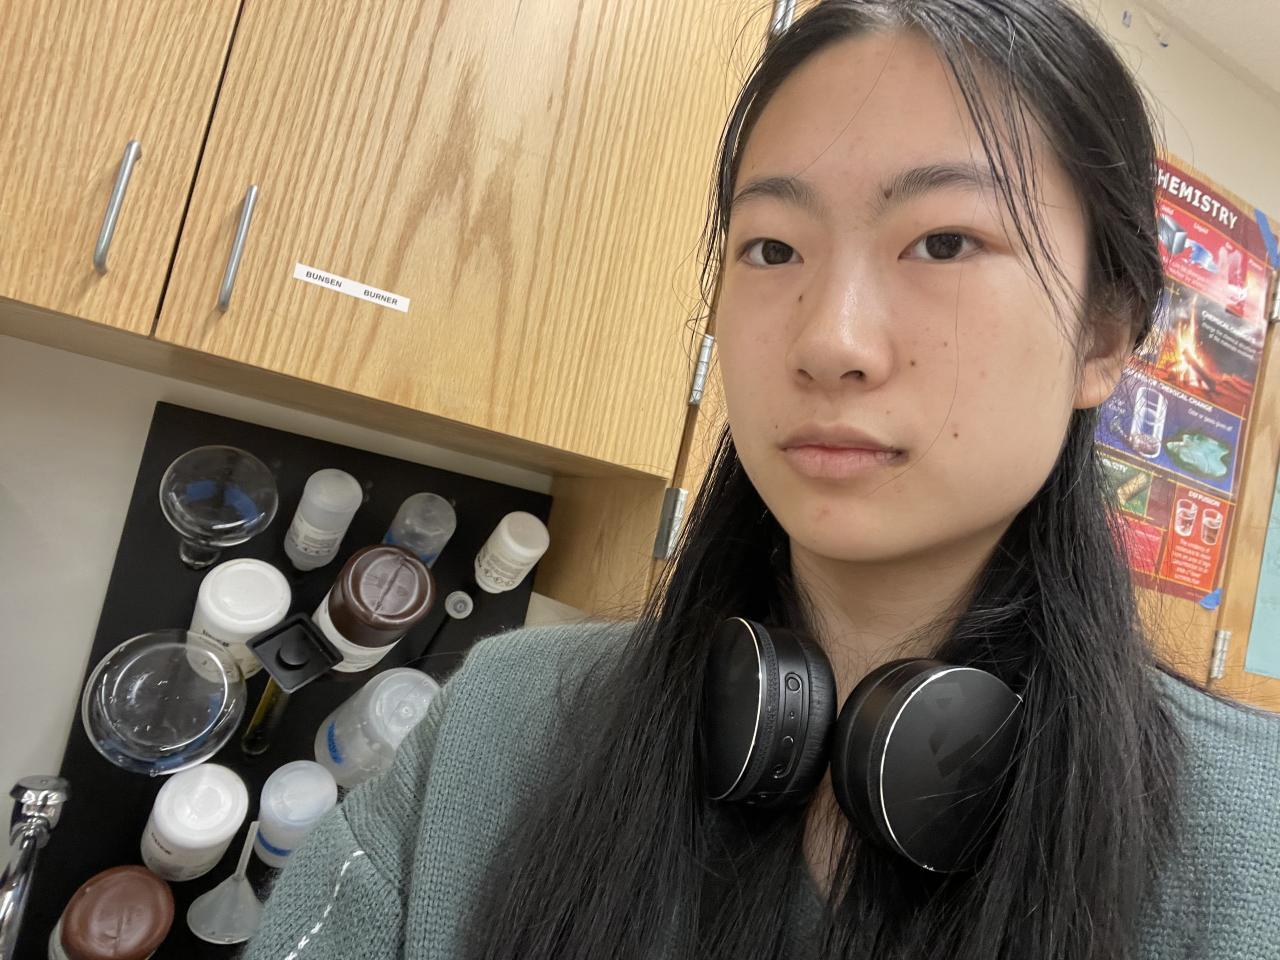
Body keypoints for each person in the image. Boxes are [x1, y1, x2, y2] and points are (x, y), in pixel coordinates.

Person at [245, 2, 1280, 958]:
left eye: (943, 241)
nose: (829, 341)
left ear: (1103, 335)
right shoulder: (497, 727)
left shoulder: (1253, 843)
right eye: (773, 248)